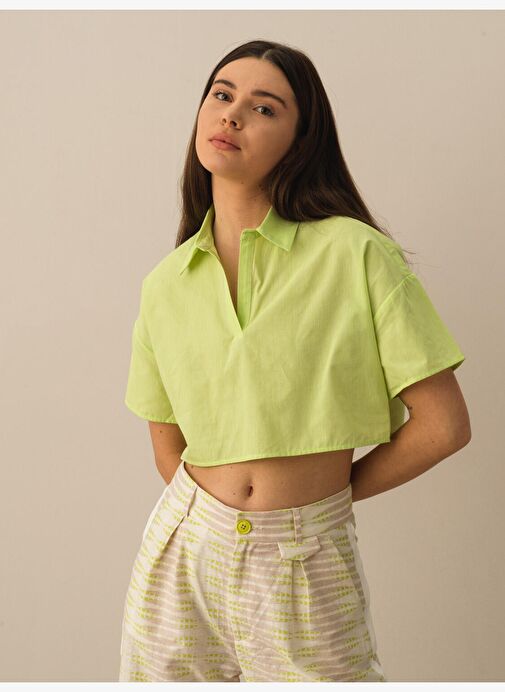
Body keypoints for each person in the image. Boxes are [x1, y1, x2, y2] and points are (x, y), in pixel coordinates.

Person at [118, 39, 471, 683]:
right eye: (222, 95)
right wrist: (218, 519)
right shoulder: (166, 283)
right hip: (182, 556)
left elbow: (443, 425)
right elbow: (168, 447)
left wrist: (317, 506)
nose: (231, 115)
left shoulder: (356, 254)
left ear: (301, 141)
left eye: (264, 108)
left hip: (306, 557)